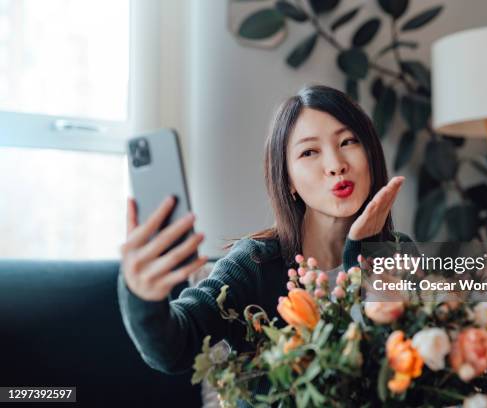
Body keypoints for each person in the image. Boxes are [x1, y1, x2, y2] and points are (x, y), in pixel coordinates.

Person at [117, 85, 413, 406]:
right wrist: (142, 297)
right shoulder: (255, 264)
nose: (336, 164)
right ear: (288, 180)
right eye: (309, 152)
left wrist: (360, 253)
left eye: (348, 142)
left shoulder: (399, 253)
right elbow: (174, 348)